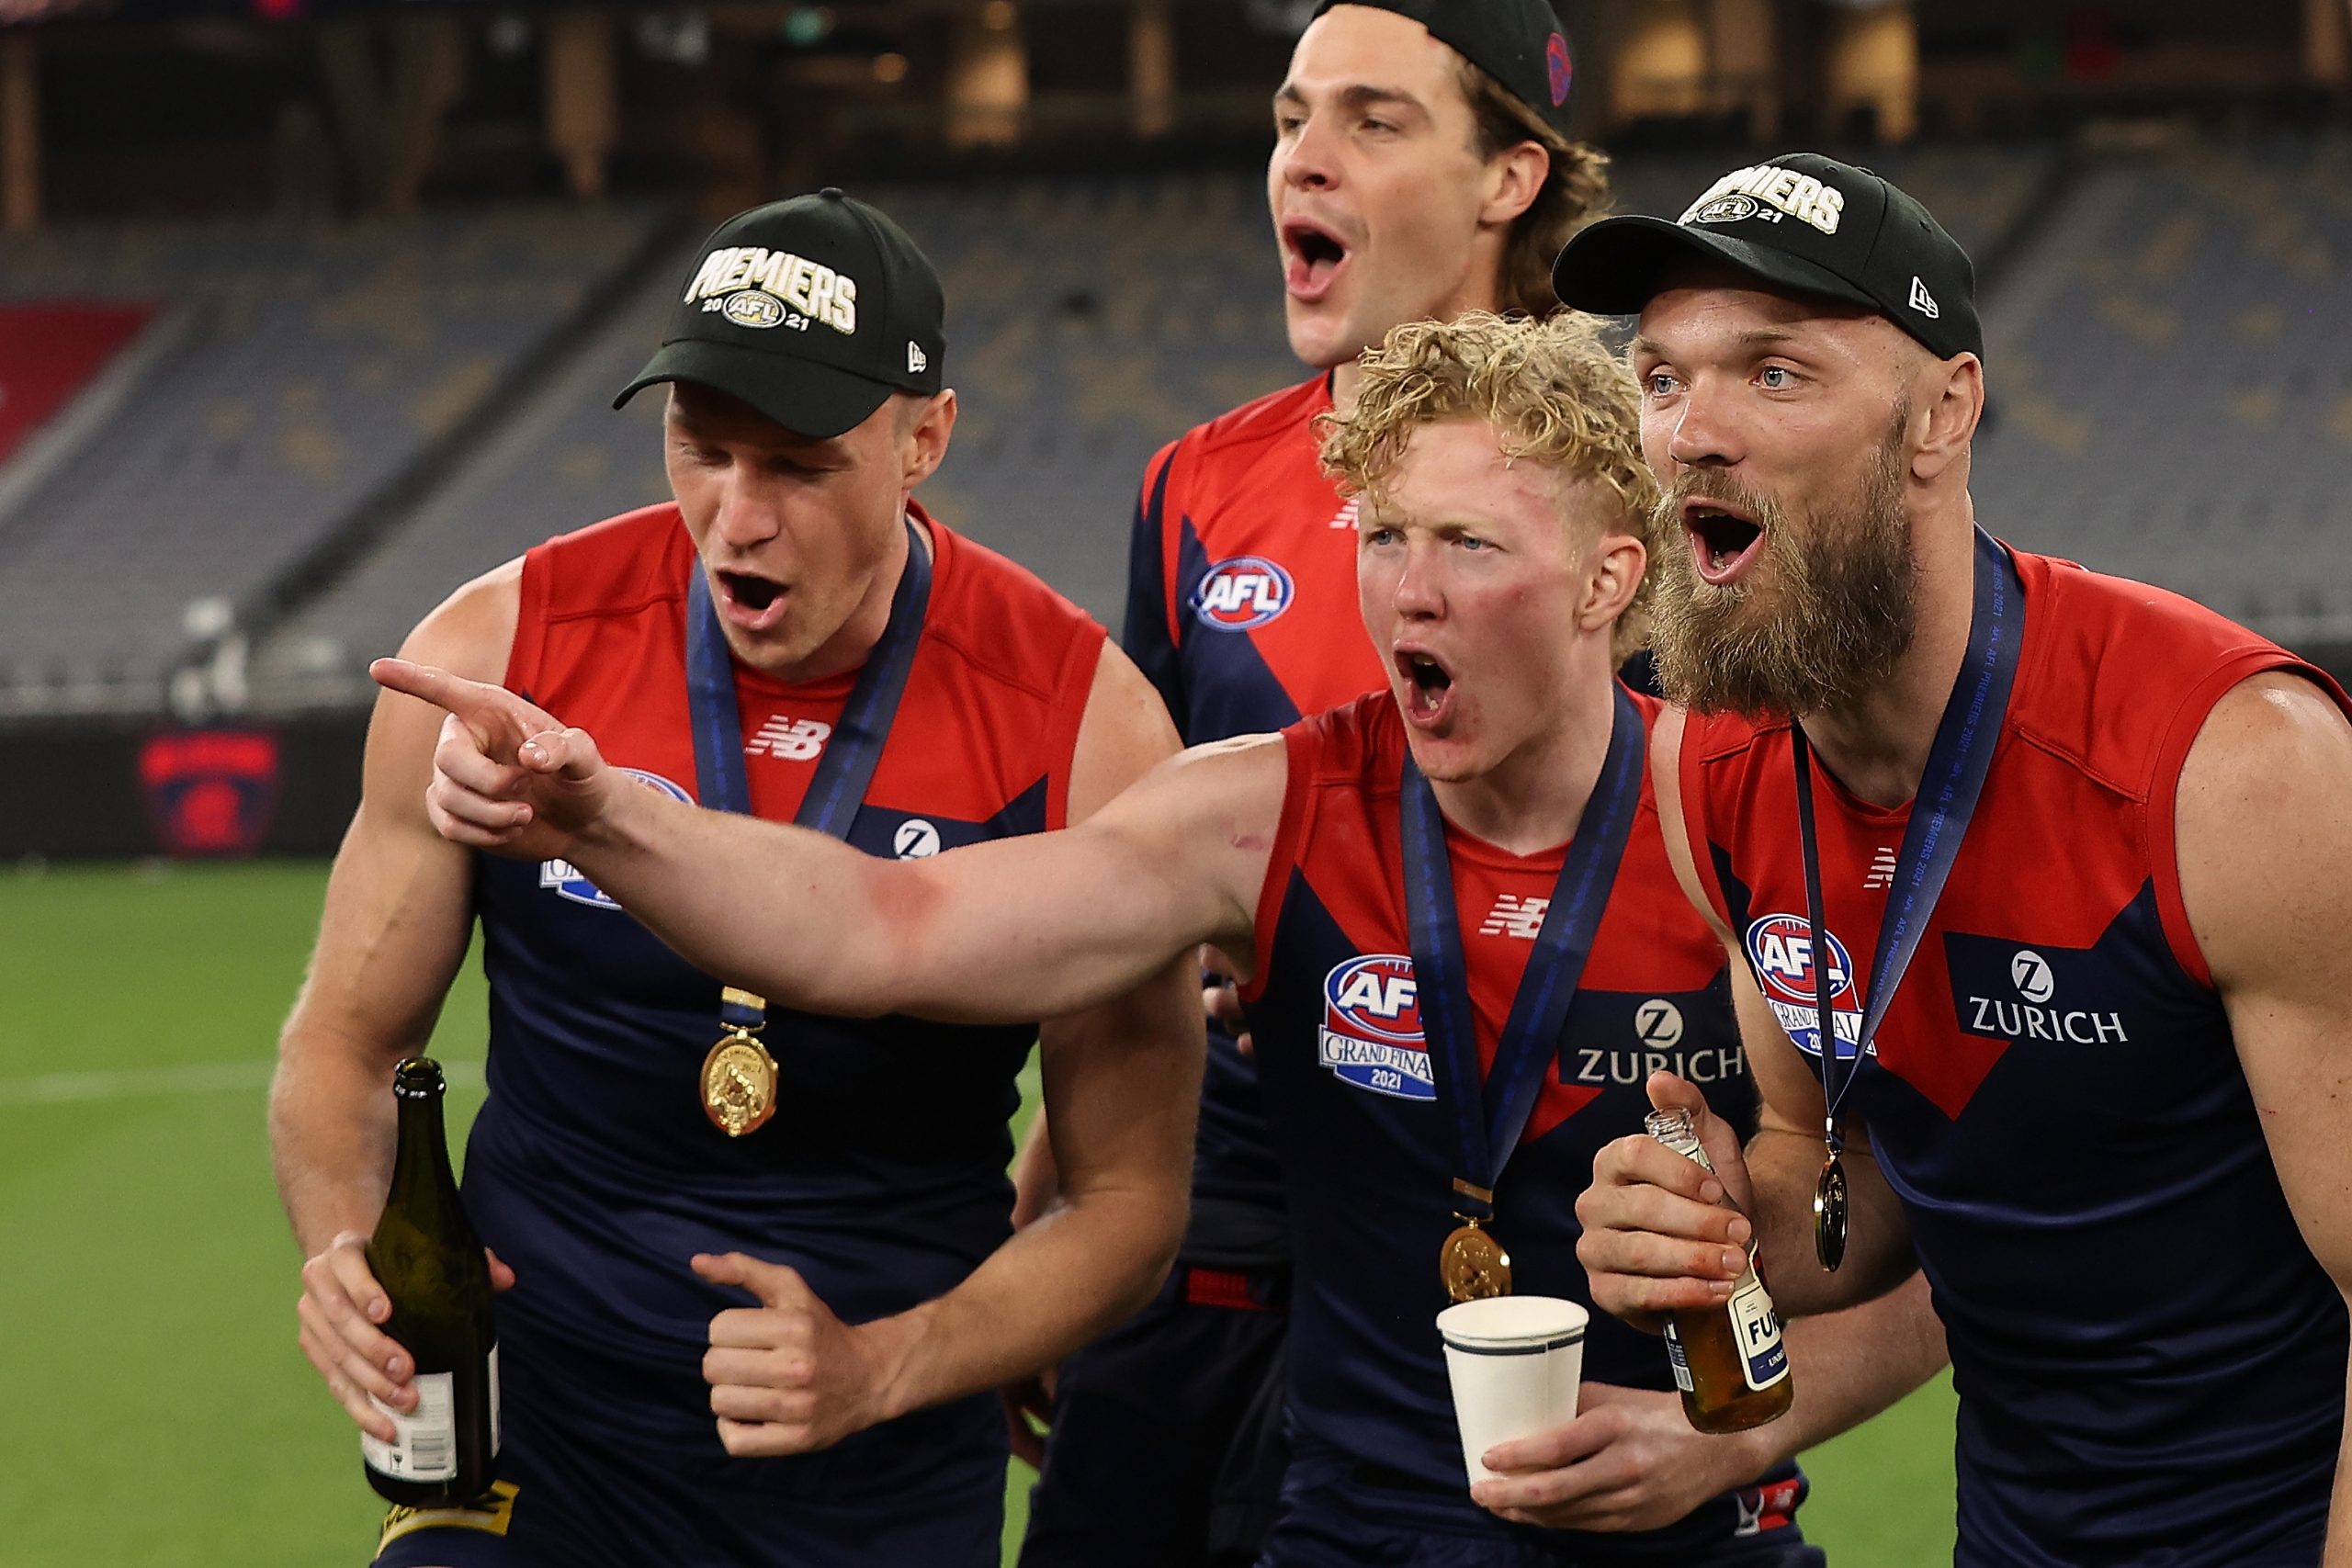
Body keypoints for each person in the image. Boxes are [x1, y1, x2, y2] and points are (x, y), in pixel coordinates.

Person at [379, 310, 1950, 1567]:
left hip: (1691, 1531)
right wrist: (603, 815)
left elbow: (1951, 1243)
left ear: (1614, 577)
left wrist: (1737, 1429)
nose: (1408, 594)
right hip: (1358, 1530)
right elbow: (888, 927)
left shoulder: (1745, 821)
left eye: (1468, 547)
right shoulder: (1267, 811)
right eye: (1383, 537)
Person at [269, 188, 1204, 1568]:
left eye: (799, 467)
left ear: (922, 440)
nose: (737, 517)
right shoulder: (498, 651)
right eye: (700, 451)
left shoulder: (1087, 726)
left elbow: (1130, 1198)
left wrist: (886, 1364)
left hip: (872, 1465)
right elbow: (346, 1044)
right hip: (538, 1440)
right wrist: (348, 1256)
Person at [1552, 152, 2352, 1566]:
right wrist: (1715, 1225)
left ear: (1944, 411)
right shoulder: (1711, 772)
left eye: (1776, 372)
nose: (1688, 432)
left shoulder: (2234, 766)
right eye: (1663, 377)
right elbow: (1842, 1184)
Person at [1014, 5, 1611, 1561]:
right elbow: (1123, 870)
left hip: (1501, 1220)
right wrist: (1056, 1193)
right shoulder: (1194, 484)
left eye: (1372, 118)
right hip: (1212, 1204)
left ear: (1508, 178)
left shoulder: (1633, 492)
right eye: (1289, 118)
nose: (1304, 157)